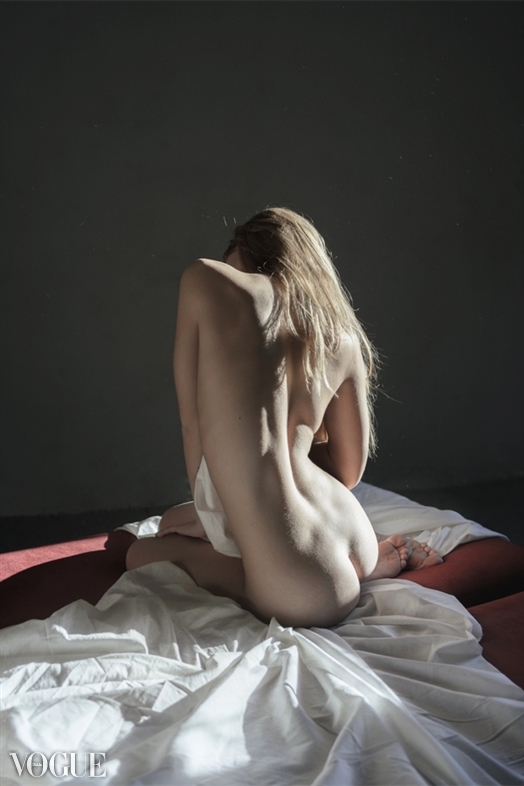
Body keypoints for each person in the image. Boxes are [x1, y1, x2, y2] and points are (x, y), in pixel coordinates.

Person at [126, 207, 441, 627]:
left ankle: (329, 579)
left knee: (141, 552)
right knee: (176, 521)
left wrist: (218, 519)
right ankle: (359, 570)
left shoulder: (207, 280)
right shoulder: (341, 336)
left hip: (304, 585)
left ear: (244, 256)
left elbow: (193, 425)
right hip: (352, 533)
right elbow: (348, 471)